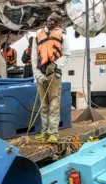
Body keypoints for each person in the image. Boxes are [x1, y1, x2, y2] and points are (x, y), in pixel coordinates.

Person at [31, 12, 70, 143]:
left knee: (54, 103)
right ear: (47, 18)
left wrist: (57, 65)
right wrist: (38, 75)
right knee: (43, 104)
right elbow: (34, 57)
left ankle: (53, 132)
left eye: (55, 21)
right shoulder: (38, 35)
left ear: (59, 23)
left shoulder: (62, 35)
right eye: (50, 19)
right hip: (40, 74)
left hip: (54, 73)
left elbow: (66, 54)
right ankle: (44, 132)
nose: (52, 22)